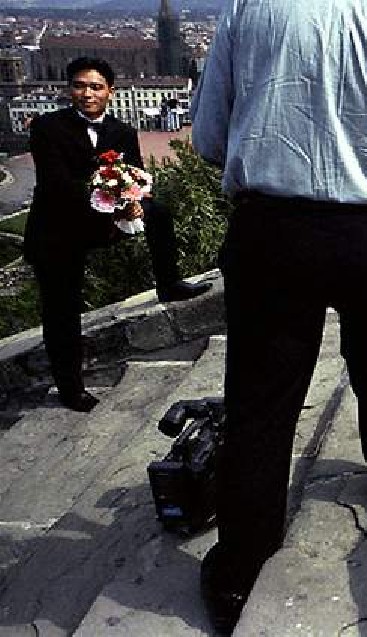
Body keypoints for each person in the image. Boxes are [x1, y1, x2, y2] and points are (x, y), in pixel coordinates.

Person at [190, 0, 367, 631]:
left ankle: (240, 571)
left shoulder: (249, 10)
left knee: (263, 397)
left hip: (275, 232)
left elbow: (208, 139)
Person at [24, 56, 211, 413]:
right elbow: (57, 185)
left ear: (110, 91)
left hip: (102, 221)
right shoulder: (47, 128)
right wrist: (115, 203)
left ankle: (169, 283)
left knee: (160, 212)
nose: (87, 94)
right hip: (58, 228)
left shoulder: (121, 131)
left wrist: (137, 200)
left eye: (95, 87)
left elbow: (138, 175)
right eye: (79, 86)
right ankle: (70, 386)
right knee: (62, 309)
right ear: (69, 90)